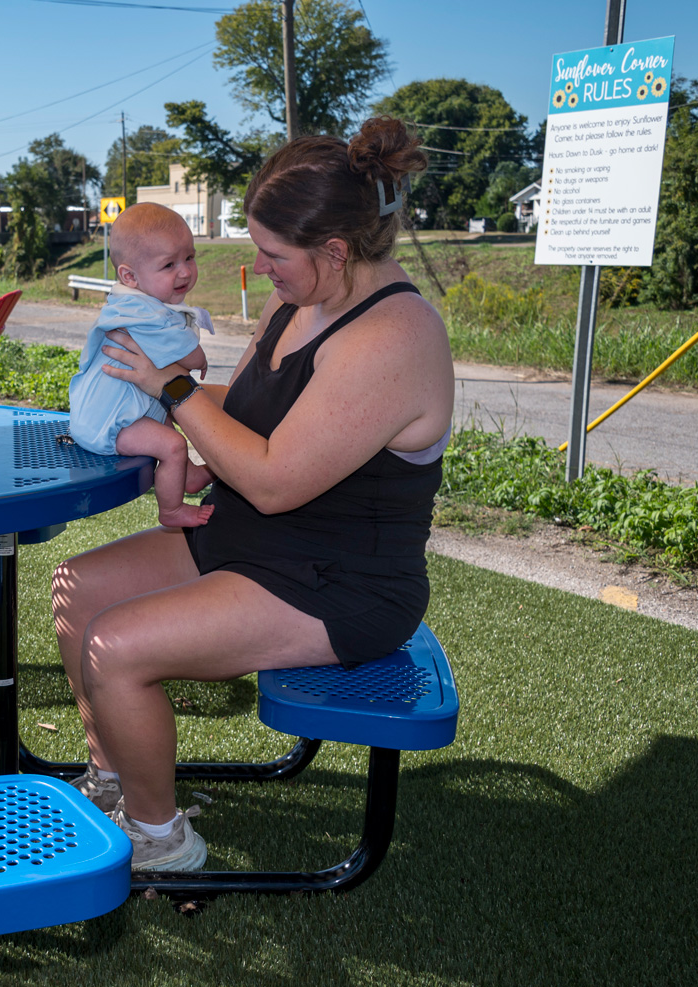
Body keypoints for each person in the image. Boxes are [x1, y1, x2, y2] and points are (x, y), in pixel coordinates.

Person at [51, 117, 454, 871]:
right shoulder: (299, 301)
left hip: (337, 581)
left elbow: (270, 479)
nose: (259, 268)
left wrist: (168, 388)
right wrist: (128, 406)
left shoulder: (394, 336)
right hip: (252, 541)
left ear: (334, 252)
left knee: (116, 646)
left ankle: (159, 840)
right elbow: (244, 404)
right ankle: (114, 776)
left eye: (273, 254)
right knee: (79, 589)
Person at [67, 203, 216, 528]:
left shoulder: (134, 303)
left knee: (168, 420)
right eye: (169, 265)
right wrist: (199, 358)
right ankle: (172, 510)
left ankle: (188, 476)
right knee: (173, 444)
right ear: (130, 276)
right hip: (109, 424)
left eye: (189, 257)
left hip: (115, 413)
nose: (185, 272)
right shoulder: (142, 314)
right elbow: (190, 356)